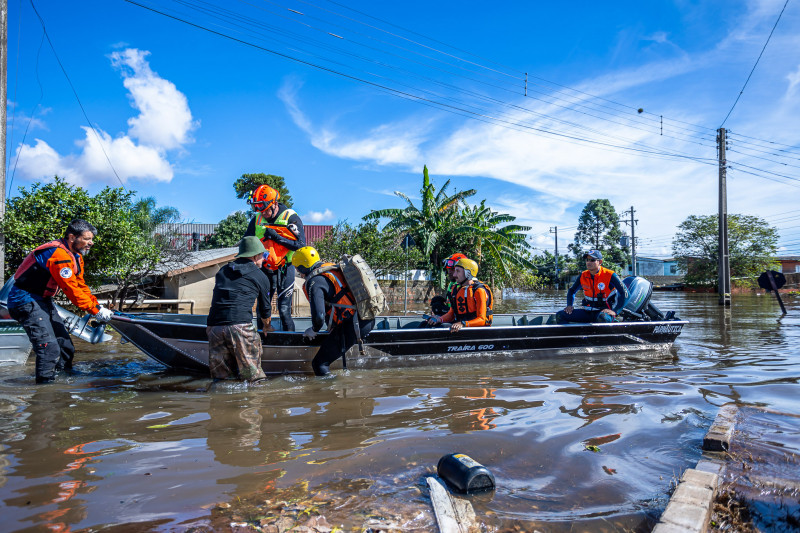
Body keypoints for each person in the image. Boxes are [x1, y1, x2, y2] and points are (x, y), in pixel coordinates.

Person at [6, 219, 113, 383]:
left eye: (91, 239)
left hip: (42, 300)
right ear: (72, 237)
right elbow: (71, 290)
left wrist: (97, 306)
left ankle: (63, 383)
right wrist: (96, 311)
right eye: (87, 239)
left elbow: (80, 286)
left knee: (65, 347)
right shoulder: (59, 255)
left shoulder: (76, 256)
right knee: (48, 348)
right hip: (24, 300)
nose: (91, 243)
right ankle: (45, 391)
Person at [291, 246, 375, 376]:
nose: (298, 272)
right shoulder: (331, 269)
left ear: (302, 268)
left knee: (319, 364)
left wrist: (313, 330)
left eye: (297, 268)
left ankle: (329, 394)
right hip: (365, 317)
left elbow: (319, 316)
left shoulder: (315, 281)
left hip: (354, 325)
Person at [206, 236, 272, 382]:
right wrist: (267, 326)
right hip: (240, 327)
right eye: (263, 255)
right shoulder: (260, 276)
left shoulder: (223, 271)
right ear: (255, 256)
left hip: (214, 327)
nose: (264, 259)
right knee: (254, 378)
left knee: (221, 379)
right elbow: (265, 308)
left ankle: (220, 402)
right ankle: (255, 403)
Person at [244, 184, 306, 332]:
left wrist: (277, 238)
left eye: (265, 209)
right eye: (258, 209)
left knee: (284, 309)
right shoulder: (257, 219)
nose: (262, 213)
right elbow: (246, 243)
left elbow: (301, 245)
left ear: (274, 204)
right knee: (261, 310)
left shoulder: (290, 217)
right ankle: (262, 341)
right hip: (265, 269)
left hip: (285, 268)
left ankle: (289, 341)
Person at [556, 250, 628, 324]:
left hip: (604, 312)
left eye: (592, 260)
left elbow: (626, 294)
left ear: (600, 262)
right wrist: (569, 305)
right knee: (560, 315)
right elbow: (572, 291)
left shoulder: (610, 275)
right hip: (588, 311)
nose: (588, 262)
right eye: (587, 260)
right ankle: (572, 335)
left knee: (602, 318)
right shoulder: (583, 275)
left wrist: (615, 311)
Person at [427, 257, 493, 332]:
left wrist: (463, 324)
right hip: (461, 325)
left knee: (442, 327)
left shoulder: (479, 291)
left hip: (476, 328)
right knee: (428, 324)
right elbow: (451, 314)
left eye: (458, 271)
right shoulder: (455, 290)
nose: (454, 275)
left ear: (468, 273)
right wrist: (439, 319)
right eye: (455, 271)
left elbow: (482, 320)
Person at [429, 252, 467, 317]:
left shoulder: (466, 286)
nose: (449, 272)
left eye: (453, 269)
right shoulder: (452, 284)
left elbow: (462, 311)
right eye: (448, 269)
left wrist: (442, 310)